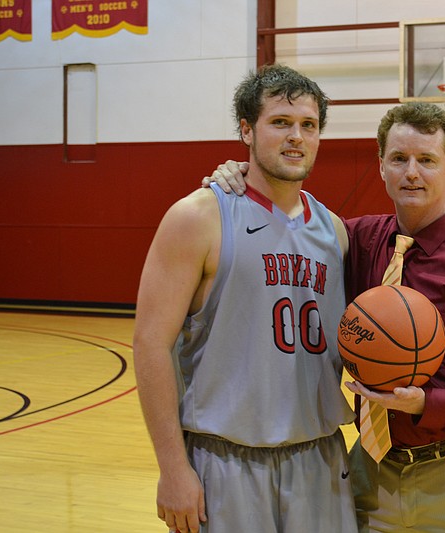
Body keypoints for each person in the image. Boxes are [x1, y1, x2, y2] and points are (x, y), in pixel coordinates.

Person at [205, 101, 445, 533]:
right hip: (371, 468)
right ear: (381, 165)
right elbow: (287, 219)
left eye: (427, 160)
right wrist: (241, 176)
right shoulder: (356, 239)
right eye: (399, 159)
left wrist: (426, 404)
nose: (412, 172)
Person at [132, 64, 357, 533]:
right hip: (224, 461)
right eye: (280, 123)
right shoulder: (198, 217)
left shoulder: (335, 232)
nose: (296, 137)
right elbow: (150, 345)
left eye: (308, 126)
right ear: (246, 130)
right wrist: (173, 469)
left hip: (319, 457)